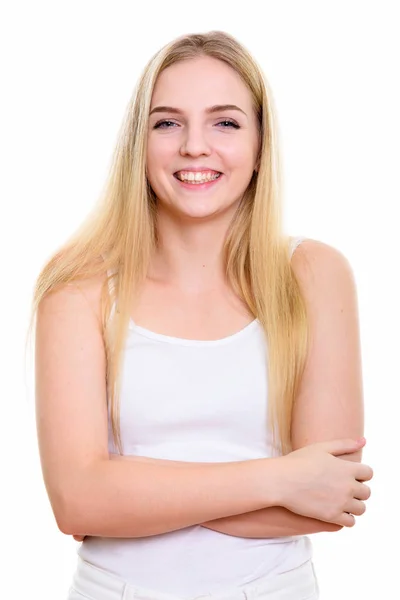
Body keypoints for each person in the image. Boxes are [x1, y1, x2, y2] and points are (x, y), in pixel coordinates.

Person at [30, 30, 373, 600]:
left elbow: (331, 500)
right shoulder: (78, 286)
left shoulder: (314, 275)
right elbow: (77, 502)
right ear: (138, 144)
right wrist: (280, 478)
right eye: (167, 123)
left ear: (261, 144)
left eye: (226, 122)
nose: (194, 146)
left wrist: (134, 498)